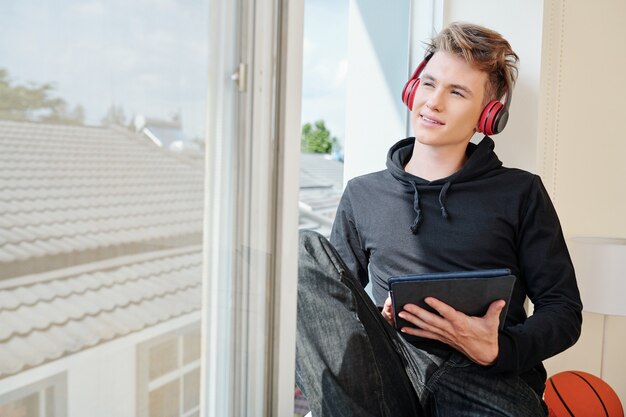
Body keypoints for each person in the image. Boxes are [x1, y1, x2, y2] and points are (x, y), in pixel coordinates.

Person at [295, 21, 583, 417]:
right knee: (303, 250)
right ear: (412, 89)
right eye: (428, 84)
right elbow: (332, 309)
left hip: (487, 378)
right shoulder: (363, 194)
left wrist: (499, 348)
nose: (433, 102)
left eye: (457, 92)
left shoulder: (521, 192)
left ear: (488, 116)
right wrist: (375, 320)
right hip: (391, 374)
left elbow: (564, 310)